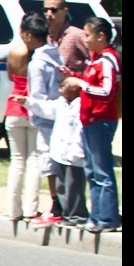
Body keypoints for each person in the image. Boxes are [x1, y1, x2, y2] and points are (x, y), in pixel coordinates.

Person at [72, 17, 121, 232]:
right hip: (90, 121)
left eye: (88, 35)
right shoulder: (95, 59)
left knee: (102, 171)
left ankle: (108, 218)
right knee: (92, 170)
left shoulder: (107, 60)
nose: (86, 40)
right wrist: (73, 77)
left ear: (101, 36)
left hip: (101, 121)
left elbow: (107, 92)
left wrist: (81, 84)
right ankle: (97, 215)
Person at [4, 13, 53, 222]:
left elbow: (9, 76)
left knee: (16, 161)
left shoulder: (15, 52)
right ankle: (31, 209)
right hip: (34, 109)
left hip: (14, 107)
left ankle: (13, 209)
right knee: (34, 161)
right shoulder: (44, 57)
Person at [42, 77, 89, 226]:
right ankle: (66, 214)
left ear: (74, 89)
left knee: (74, 186)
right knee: (61, 185)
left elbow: (79, 130)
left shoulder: (80, 105)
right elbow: (45, 108)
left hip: (74, 153)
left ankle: (78, 216)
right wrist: (28, 102)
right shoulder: (61, 104)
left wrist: (78, 151)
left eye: (64, 86)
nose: (60, 89)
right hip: (60, 152)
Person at [42, 0, 89, 71]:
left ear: (65, 11)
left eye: (54, 10)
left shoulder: (76, 34)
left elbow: (97, 60)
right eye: (45, 10)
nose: (49, 14)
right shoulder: (44, 36)